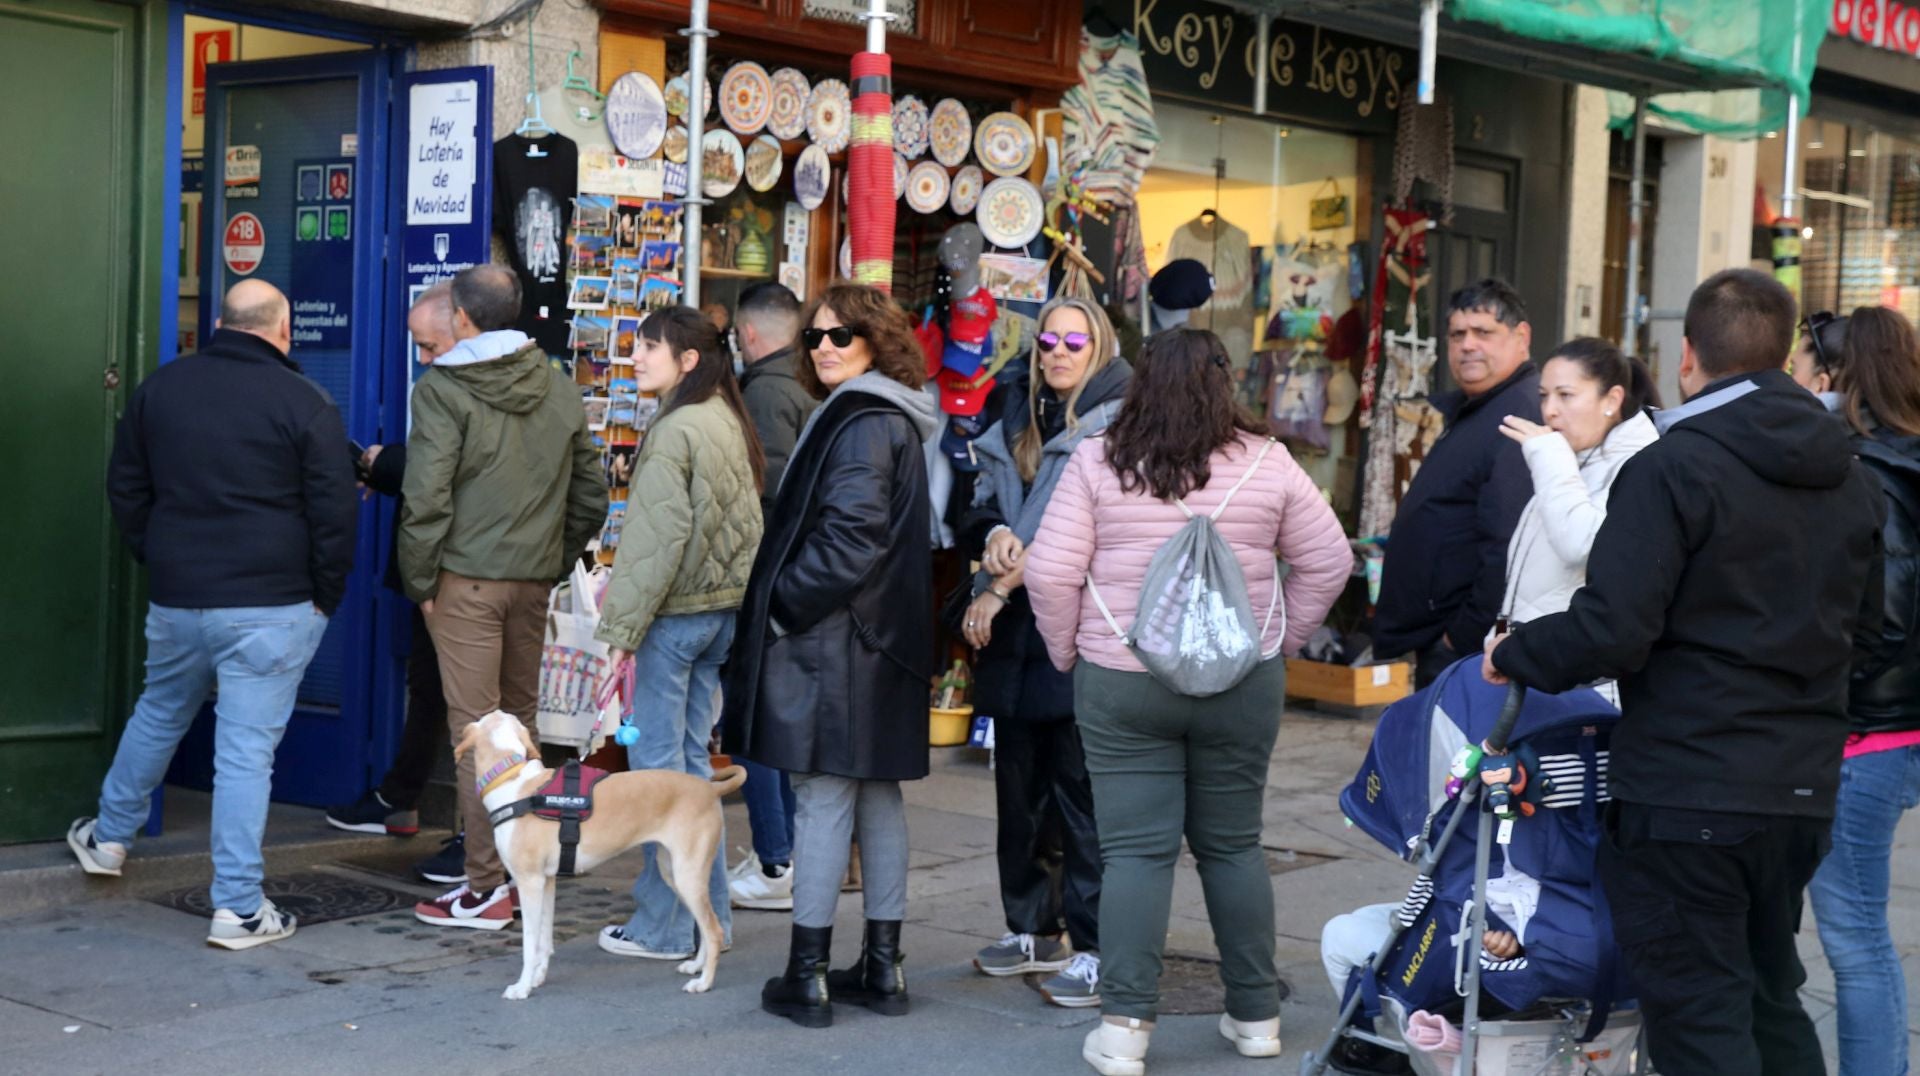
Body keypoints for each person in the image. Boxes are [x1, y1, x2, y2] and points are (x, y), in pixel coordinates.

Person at [1484, 269, 1885, 1075]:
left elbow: (1614, 626)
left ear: (1687, 357)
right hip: (1798, 790)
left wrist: (1515, 651)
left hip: (1687, 788)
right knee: (1768, 996)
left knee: (1700, 1014)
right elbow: (1871, 638)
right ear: (1781, 354)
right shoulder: (1853, 477)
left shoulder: (1671, 468)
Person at [1025, 328, 1352, 1075]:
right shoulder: (1270, 464)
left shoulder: (1097, 461)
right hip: (1242, 682)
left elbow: (1049, 573)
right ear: (1222, 382)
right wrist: (1281, 638)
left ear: (1141, 384)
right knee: (1233, 845)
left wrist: (1070, 652)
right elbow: (1329, 559)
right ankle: (1256, 1017)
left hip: (1124, 680)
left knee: (1136, 853)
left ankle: (1125, 1031)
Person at [70, 279, 356, 950]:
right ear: (283, 328)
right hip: (272, 604)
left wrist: (160, 555)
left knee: (161, 708)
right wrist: (325, 595)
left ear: (224, 323)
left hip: (180, 596)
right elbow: (334, 513)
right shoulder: (305, 402)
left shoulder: (161, 390)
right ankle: (237, 907)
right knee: (245, 755)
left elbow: (128, 489)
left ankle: (109, 838)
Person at [723, 283, 938, 1029]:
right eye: (814, 336)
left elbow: (849, 539)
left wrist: (781, 610)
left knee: (822, 799)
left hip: (837, 644)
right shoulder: (885, 417)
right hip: (876, 644)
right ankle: (882, 968)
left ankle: (806, 973)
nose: (822, 347)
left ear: (877, 340)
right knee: (876, 797)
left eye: (840, 335)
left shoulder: (861, 421)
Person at [399, 264, 608, 931]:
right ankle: (525, 875)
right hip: (530, 582)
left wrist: (421, 580)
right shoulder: (558, 386)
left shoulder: (442, 389)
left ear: (460, 316)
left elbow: (424, 497)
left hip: (466, 581)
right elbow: (591, 497)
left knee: (480, 737)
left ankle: (487, 888)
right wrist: (549, 558)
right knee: (520, 729)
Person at [960, 296, 1132, 1007]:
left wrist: (998, 585)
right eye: (1049, 342)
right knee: (1019, 794)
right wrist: (992, 532)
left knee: (1083, 800)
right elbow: (976, 502)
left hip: (1083, 630)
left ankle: (1095, 948)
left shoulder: (1118, 427)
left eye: (1074, 341)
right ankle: (1032, 927)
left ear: (1099, 349)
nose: (1059, 352)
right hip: (1017, 638)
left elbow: (1079, 527)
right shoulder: (1012, 412)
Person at [591, 307, 766, 961]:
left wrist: (622, 630)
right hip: (718, 616)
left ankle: (664, 929)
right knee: (691, 778)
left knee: (660, 784)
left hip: (675, 619)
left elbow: (654, 544)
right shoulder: (726, 419)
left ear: (689, 360)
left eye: (650, 348)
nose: (636, 358)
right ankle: (708, 921)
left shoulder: (676, 430)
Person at [1805, 306, 1920, 1076]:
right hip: (1899, 728)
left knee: (1854, 940)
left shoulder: (1870, 470)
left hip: (1868, 733)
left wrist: (1827, 690)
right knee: (1860, 934)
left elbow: (1887, 609)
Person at [326, 284, 467, 884]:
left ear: (463, 325)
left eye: (430, 344)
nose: (424, 358)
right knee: (430, 685)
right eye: (417, 346)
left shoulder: (473, 386)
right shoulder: (446, 383)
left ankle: (477, 843)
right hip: (440, 568)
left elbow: (449, 475)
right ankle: (399, 796)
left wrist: (383, 462)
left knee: (472, 705)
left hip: (465, 572)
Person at [1373, 279, 1541, 687]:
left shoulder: (1518, 414)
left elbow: (1507, 544)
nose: (1467, 345)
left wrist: (1458, 637)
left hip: (1465, 650)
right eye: (1457, 334)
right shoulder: (1479, 407)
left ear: (1521, 337)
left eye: (1483, 333)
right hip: (1444, 641)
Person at [1493, 337, 1659, 702]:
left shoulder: (1636, 464)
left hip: (1581, 686)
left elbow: (1582, 544)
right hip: (1532, 666)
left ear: (1612, 400)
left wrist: (1549, 459)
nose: (1549, 410)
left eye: (1565, 395)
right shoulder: (1575, 456)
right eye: (1543, 395)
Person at [728, 281, 815, 912]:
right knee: (776, 720)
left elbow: (764, 494)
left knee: (753, 721)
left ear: (749, 335)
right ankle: (788, 852)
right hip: (804, 578)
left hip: (769, 575)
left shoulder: (764, 390)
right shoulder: (815, 381)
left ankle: (775, 857)